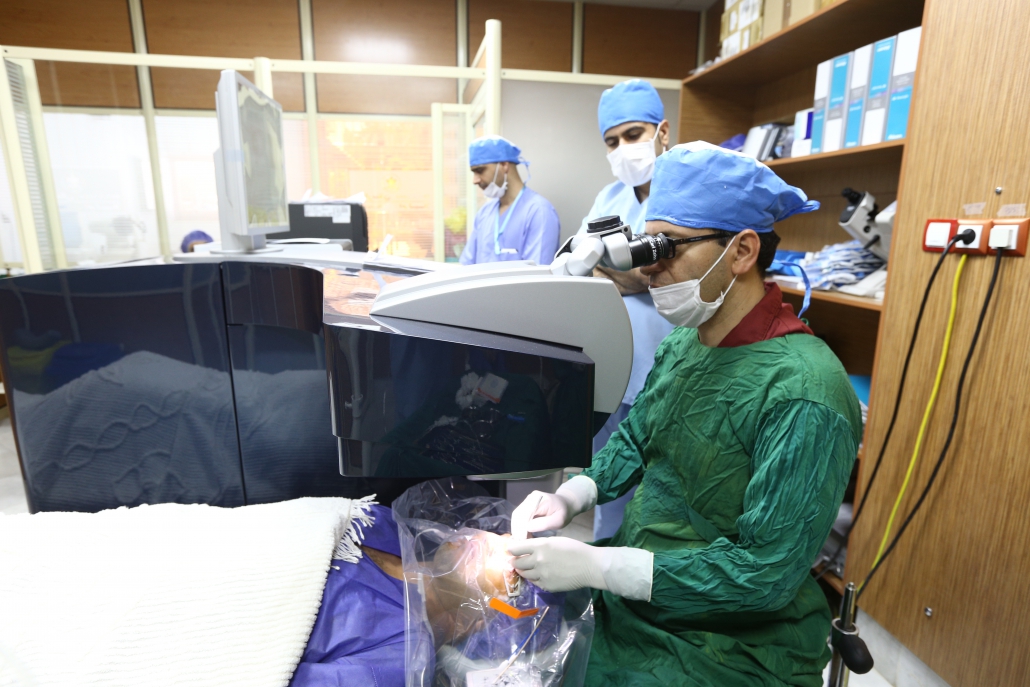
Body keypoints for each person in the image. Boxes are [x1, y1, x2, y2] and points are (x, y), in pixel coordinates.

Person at [508, 143, 863, 687]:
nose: (649, 267)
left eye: (668, 247)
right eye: (646, 245)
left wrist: (602, 567)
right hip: (640, 590)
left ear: (742, 251)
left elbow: (764, 574)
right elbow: (636, 438)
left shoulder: (806, 392)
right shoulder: (685, 344)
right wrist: (573, 496)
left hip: (731, 640)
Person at [580, 79, 675, 539]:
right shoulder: (610, 198)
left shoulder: (684, 192)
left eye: (633, 135)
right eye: (612, 141)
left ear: (663, 132)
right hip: (614, 365)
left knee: (659, 490)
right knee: (606, 481)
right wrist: (630, 275)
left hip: (667, 367)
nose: (623, 149)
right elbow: (584, 266)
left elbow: (658, 275)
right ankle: (601, 562)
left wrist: (622, 273)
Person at [459, 136, 560, 266]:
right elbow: (466, 266)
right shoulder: (485, 213)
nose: (475, 180)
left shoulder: (539, 211)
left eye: (480, 170)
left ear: (504, 165)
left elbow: (537, 274)